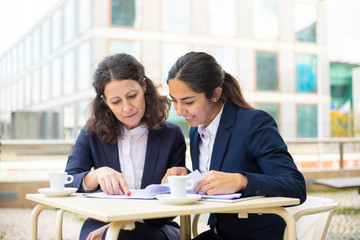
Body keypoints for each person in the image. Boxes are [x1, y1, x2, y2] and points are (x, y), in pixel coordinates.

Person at [162, 52, 307, 240]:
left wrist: (241, 181)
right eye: (174, 100)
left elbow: (295, 185)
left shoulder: (254, 123)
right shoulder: (196, 130)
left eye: (188, 102)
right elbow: (217, 175)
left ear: (215, 94)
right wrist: (188, 177)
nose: (179, 111)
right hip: (220, 234)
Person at [65, 53, 186, 240]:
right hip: (103, 225)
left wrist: (179, 180)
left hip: (156, 228)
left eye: (132, 96)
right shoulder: (91, 134)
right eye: (116, 101)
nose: (127, 108)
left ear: (144, 86)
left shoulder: (172, 135)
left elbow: (176, 200)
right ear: (104, 101)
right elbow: (68, 181)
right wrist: (96, 175)